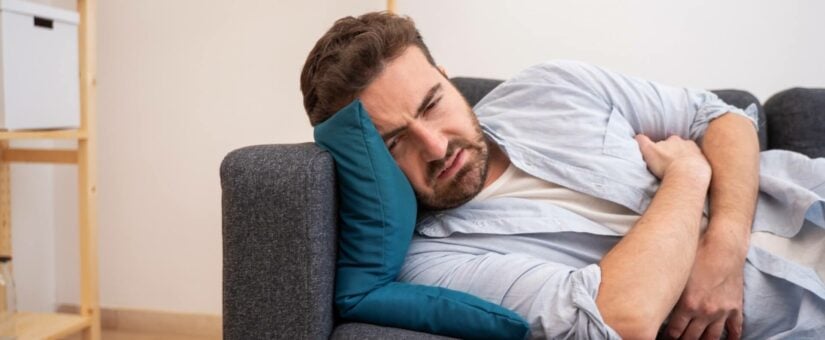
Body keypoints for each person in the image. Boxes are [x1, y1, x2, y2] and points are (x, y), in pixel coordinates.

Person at [300, 12, 825, 339]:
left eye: (433, 104)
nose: (436, 147)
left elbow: (722, 117)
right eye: (395, 143)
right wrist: (686, 177)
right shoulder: (433, 263)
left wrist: (726, 242)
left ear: (444, 77)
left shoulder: (551, 86)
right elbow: (623, 319)